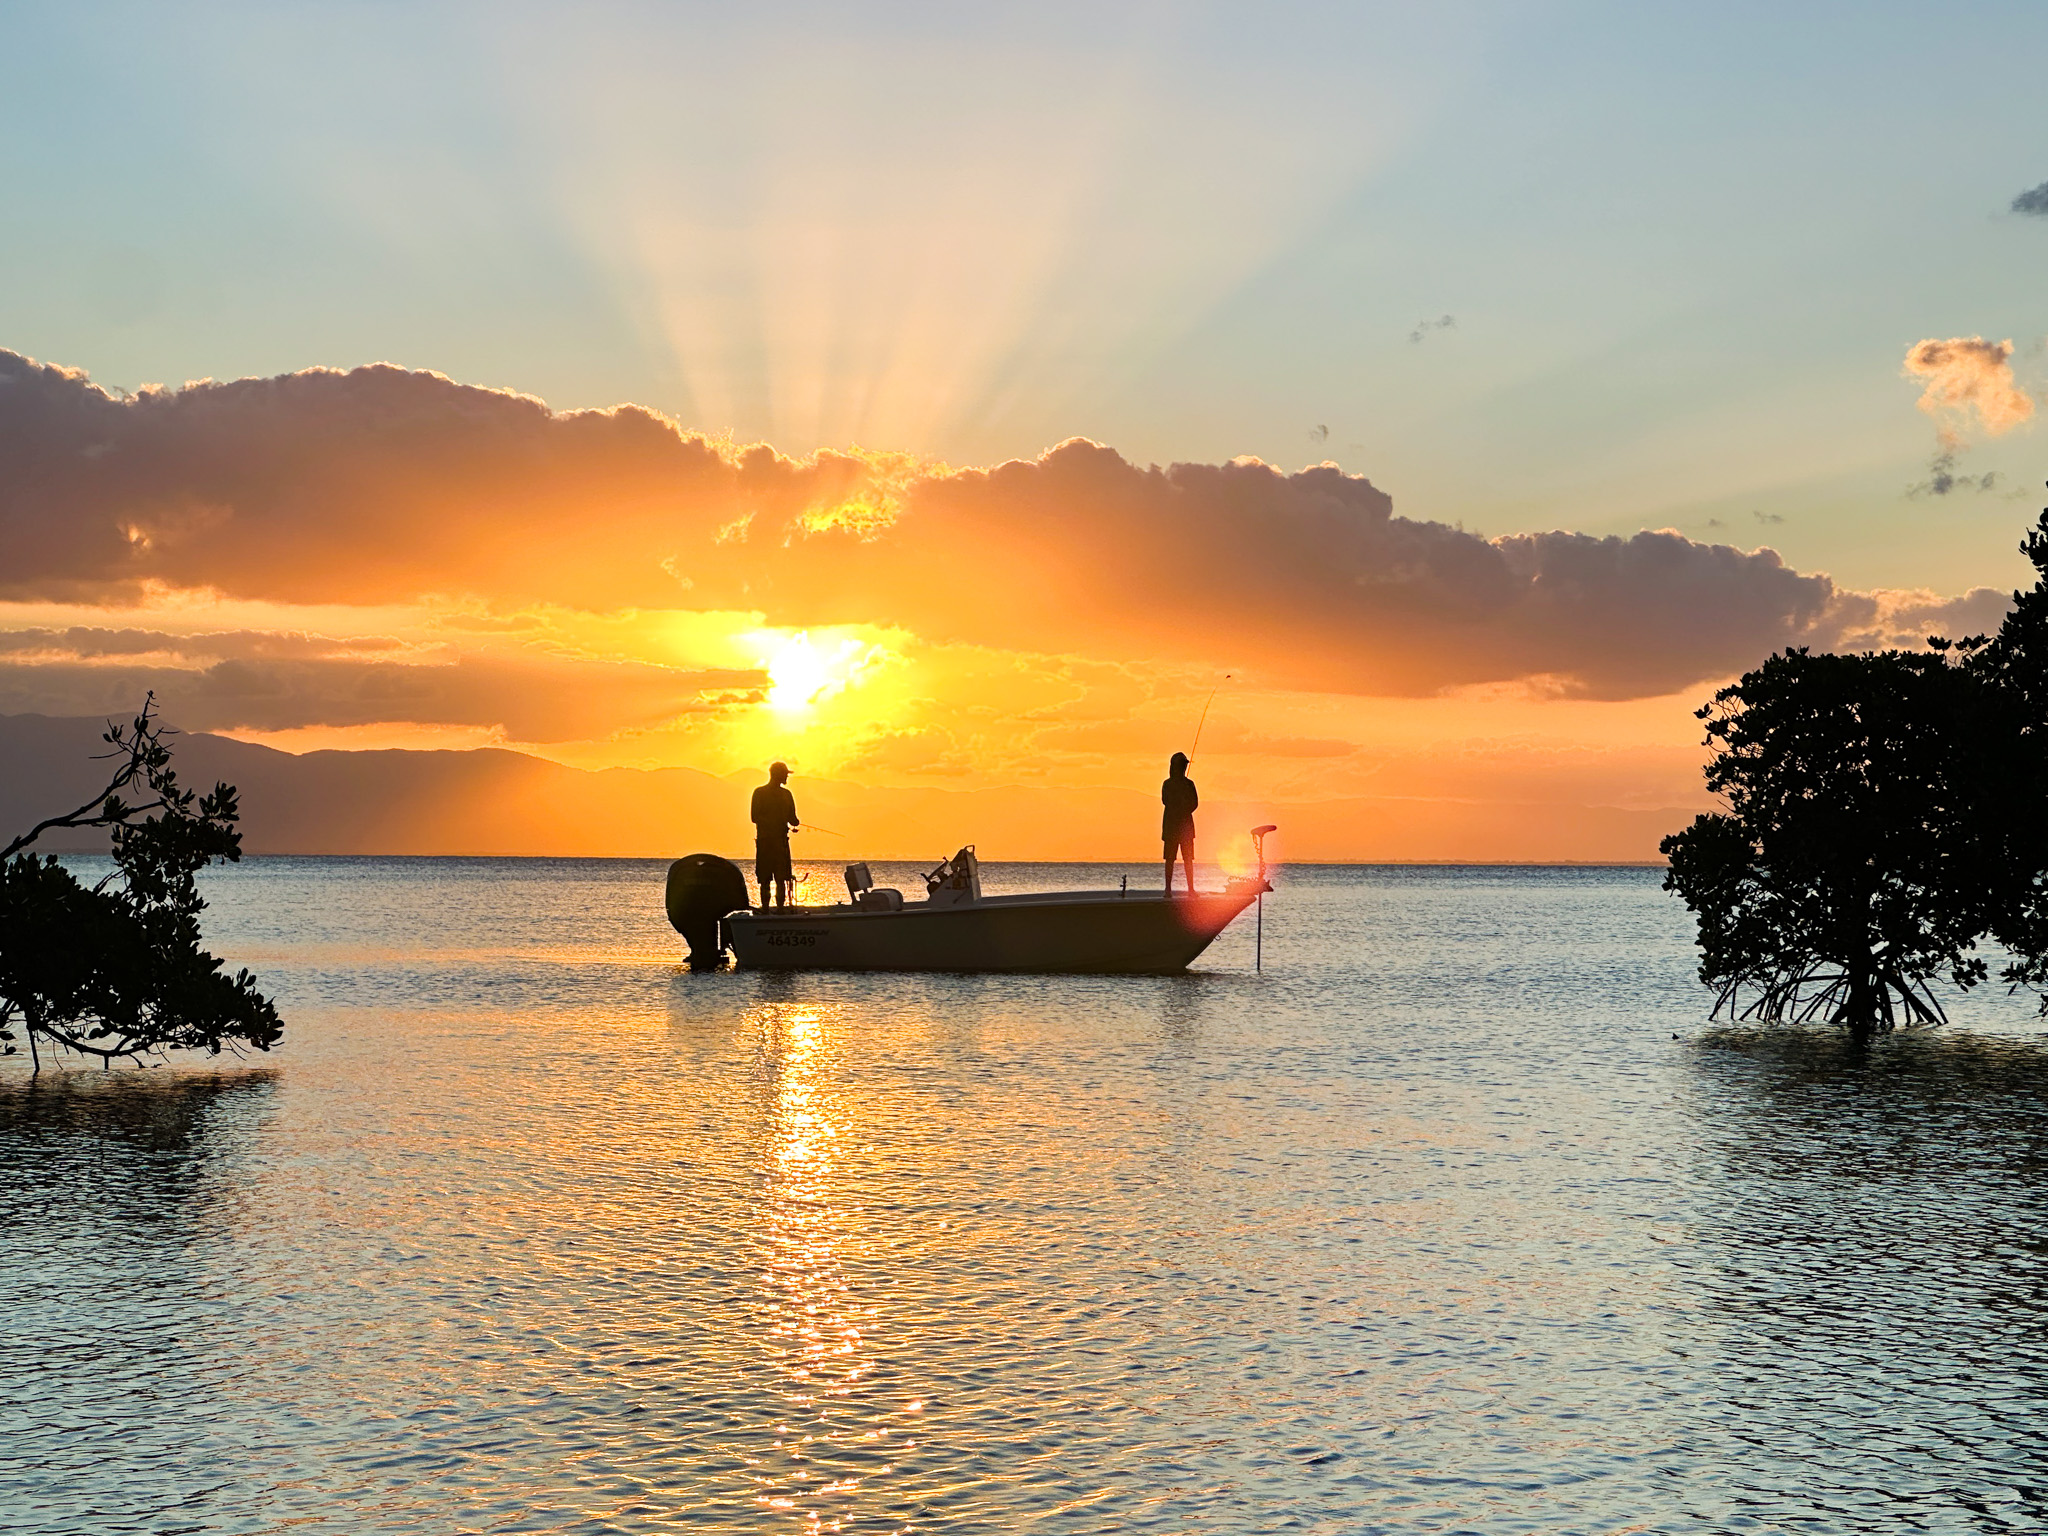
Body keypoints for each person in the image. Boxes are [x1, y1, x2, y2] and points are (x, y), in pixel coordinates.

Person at [750, 761, 800, 908]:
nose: (787, 777)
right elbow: (794, 820)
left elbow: (754, 817)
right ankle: (780, 911)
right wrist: (788, 822)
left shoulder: (759, 793)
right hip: (778, 844)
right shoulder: (786, 795)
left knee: (767, 879)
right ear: (778, 775)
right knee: (780, 879)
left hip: (766, 843)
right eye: (785, 774)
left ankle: (766, 910)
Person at [1162, 751, 1198, 896]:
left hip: (1185, 827)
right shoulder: (1168, 784)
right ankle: (1168, 889)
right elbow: (1166, 801)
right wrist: (1181, 805)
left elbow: (1195, 803)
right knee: (1169, 859)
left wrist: (1185, 806)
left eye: (1184, 765)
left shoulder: (1189, 784)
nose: (1182, 768)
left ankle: (1191, 889)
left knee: (1188, 859)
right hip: (1171, 827)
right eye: (1181, 765)